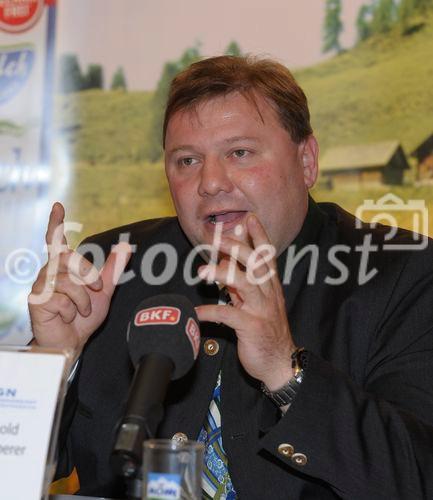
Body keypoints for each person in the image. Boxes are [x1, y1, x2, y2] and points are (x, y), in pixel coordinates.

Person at [29, 56, 433, 499]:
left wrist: (286, 370)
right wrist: (53, 360)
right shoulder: (110, 270)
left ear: (306, 161)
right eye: (186, 160)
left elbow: (417, 476)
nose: (211, 182)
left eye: (239, 153)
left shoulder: (405, 274)